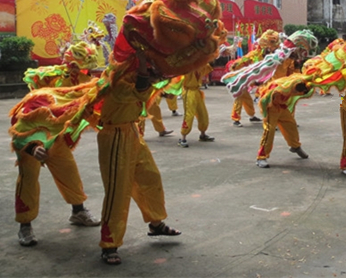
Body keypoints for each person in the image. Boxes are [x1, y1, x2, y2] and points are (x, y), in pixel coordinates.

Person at [97, 50, 180, 265]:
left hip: (132, 133)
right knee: (118, 191)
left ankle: (156, 223)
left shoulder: (131, 77)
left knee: (150, 178)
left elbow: (151, 84)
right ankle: (110, 244)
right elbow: (141, 91)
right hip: (114, 137)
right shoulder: (116, 82)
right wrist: (144, 63)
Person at [15, 42, 101, 247]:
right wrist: (32, 146)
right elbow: (22, 120)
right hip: (33, 134)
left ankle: (78, 212)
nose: (87, 72)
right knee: (28, 178)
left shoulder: (84, 83)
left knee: (69, 172)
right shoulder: (48, 80)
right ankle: (25, 225)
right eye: (82, 67)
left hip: (57, 139)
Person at [256, 77, 311, 168]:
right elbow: (264, 100)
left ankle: (295, 146)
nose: (295, 94)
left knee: (291, 126)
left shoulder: (297, 83)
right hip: (271, 109)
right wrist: (265, 113)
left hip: (282, 107)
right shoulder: (277, 88)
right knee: (269, 131)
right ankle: (261, 157)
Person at [179, 63, 216, 148]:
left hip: (197, 91)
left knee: (203, 113)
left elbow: (208, 66)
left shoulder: (200, 65)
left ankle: (203, 134)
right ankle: (183, 138)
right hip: (189, 91)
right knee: (189, 115)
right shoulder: (186, 65)